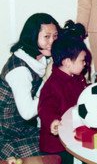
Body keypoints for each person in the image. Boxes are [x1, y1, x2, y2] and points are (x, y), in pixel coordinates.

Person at [0, 13, 60, 159]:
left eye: (55, 36)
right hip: (10, 136)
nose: (52, 41)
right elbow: (27, 112)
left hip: (27, 128)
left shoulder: (39, 58)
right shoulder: (19, 70)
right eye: (46, 37)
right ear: (32, 37)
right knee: (59, 151)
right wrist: (48, 81)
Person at [38, 21, 90, 164]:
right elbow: (45, 108)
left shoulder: (77, 78)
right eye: (82, 60)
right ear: (67, 62)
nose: (85, 63)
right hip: (56, 146)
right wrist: (52, 121)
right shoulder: (52, 85)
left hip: (72, 136)